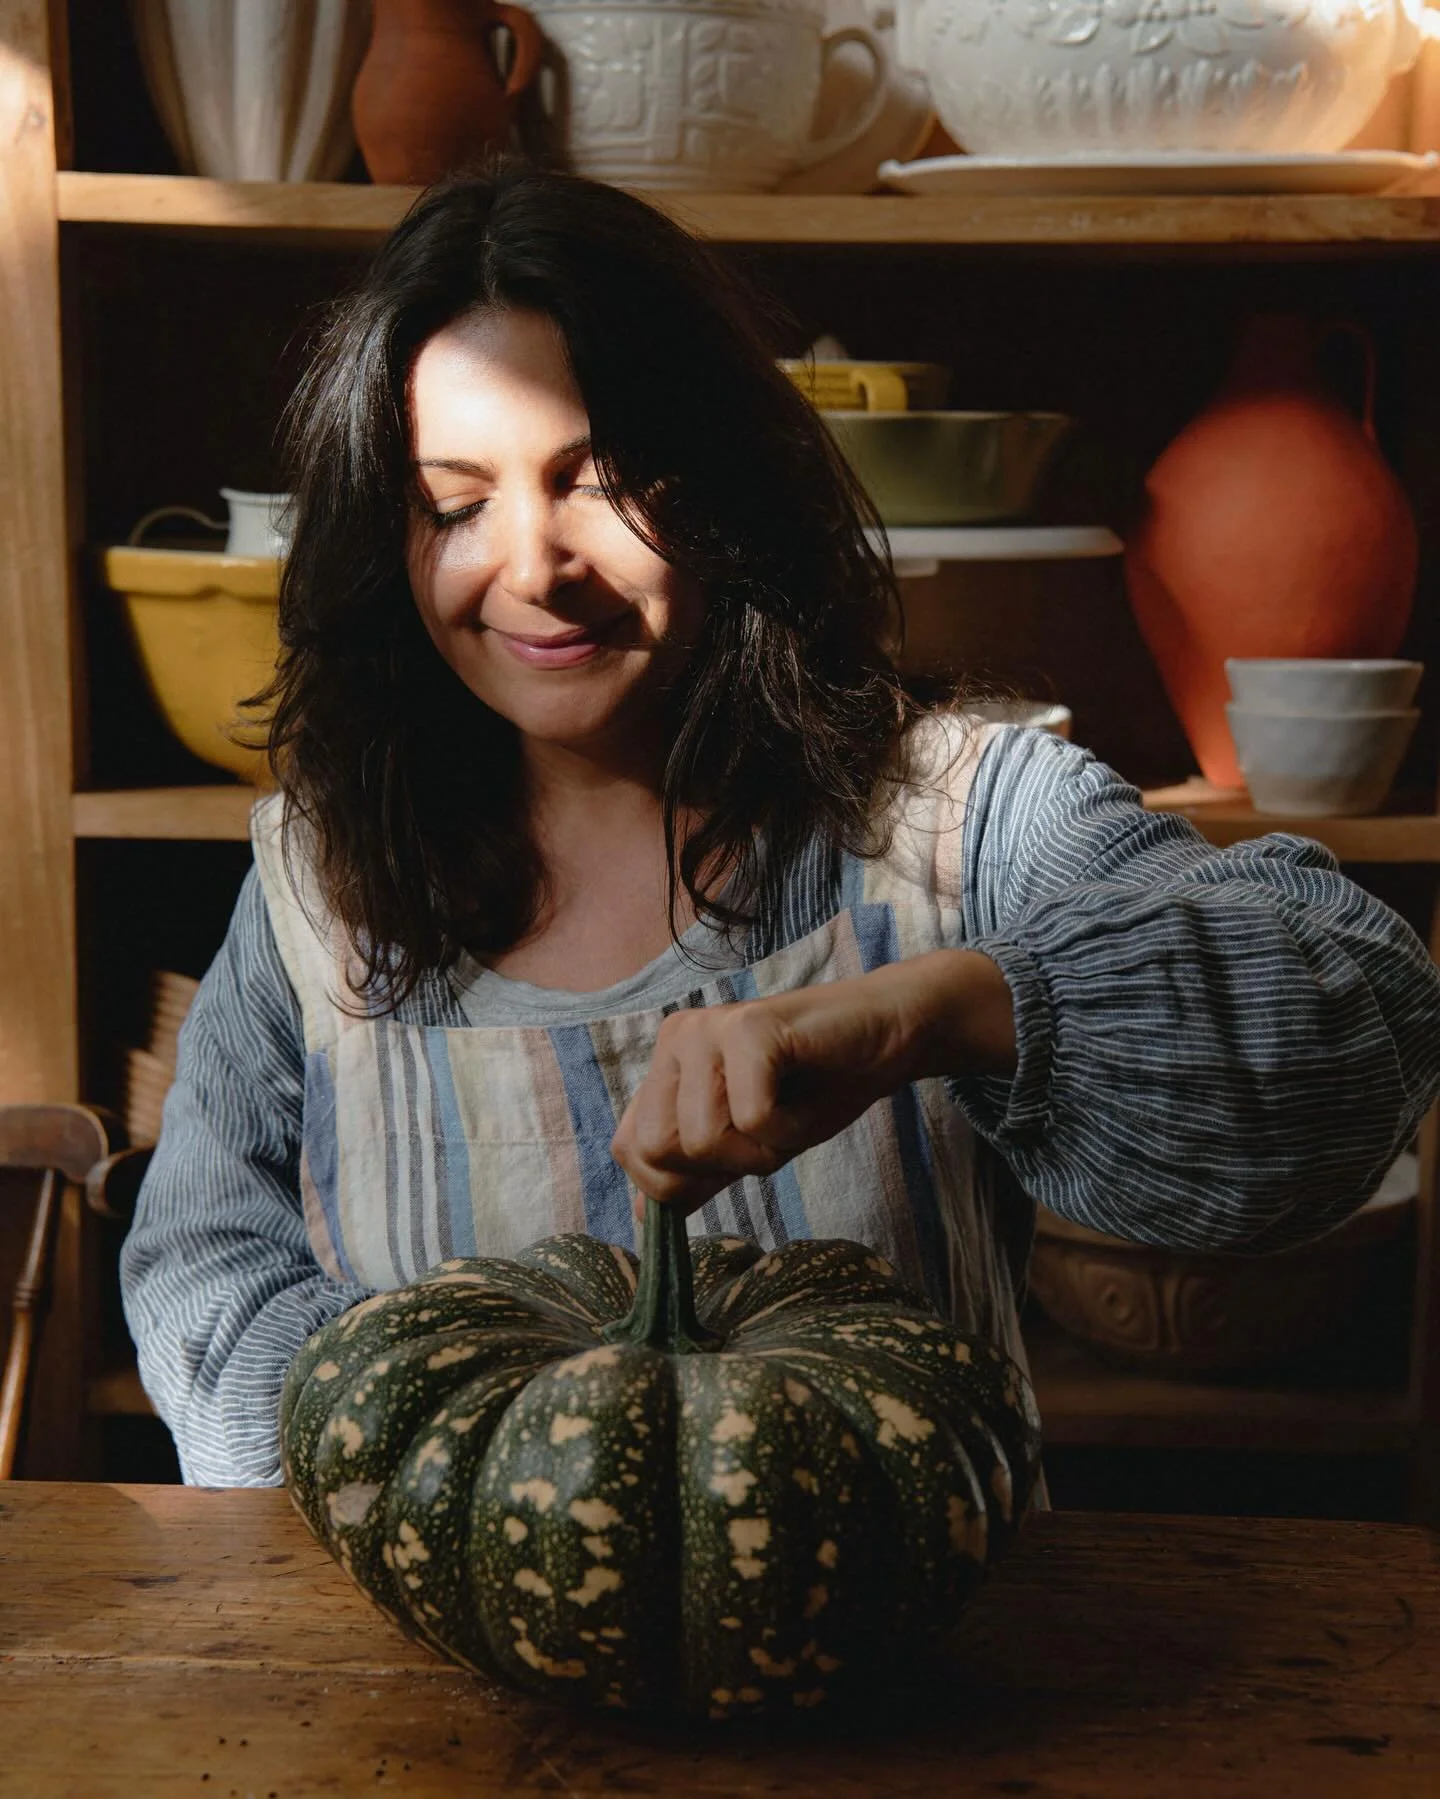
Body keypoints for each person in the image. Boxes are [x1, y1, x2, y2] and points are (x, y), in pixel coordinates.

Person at [121, 164, 1440, 1489]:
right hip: (448, 1687)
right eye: (456, 502)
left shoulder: (956, 824)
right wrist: (465, 1478)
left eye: (598, 477)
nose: (532, 566)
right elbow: (204, 1272)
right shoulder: (324, 879)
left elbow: (1365, 1017)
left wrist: (937, 1012)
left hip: (917, 1682)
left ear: (719, 474)